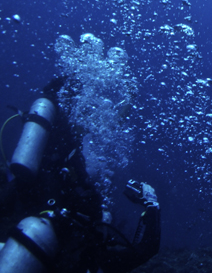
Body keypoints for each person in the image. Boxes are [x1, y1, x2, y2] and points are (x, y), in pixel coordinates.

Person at [0, 77, 161, 272]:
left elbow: (104, 129)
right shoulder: (83, 244)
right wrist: (151, 203)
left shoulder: (42, 178)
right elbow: (144, 250)